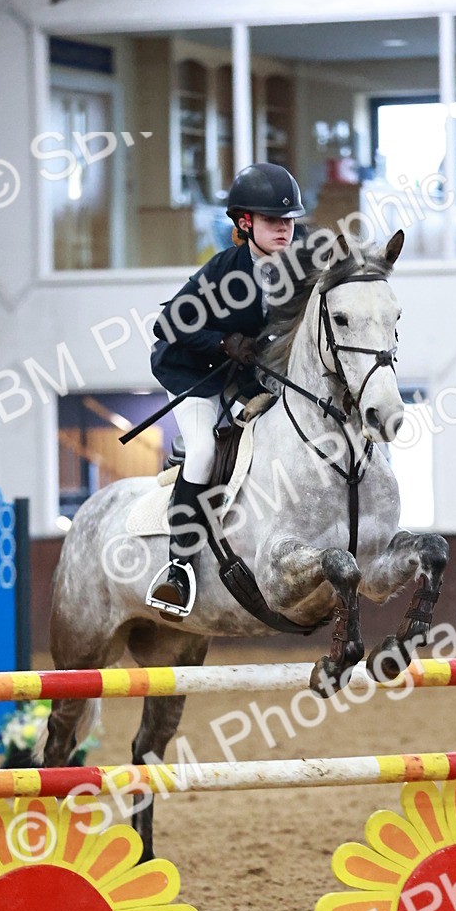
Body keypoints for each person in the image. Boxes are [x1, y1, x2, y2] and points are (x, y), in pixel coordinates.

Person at [146, 162, 305, 619]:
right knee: (202, 453)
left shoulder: (296, 269)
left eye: (289, 220)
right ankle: (179, 567)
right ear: (244, 223)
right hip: (194, 373)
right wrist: (221, 341)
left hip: (248, 376)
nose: (284, 229)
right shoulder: (223, 271)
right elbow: (167, 324)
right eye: (274, 221)